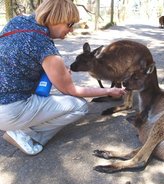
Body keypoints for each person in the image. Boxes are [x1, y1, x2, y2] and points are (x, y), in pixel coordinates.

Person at [0, 0, 126, 155]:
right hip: (9, 109)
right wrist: (109, 91)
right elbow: (72, 90)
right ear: (56, 18)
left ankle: (19, 125)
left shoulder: (17, 22)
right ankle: (25, 135)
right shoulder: (44, 46)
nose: (71, 30)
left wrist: (56, 71)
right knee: (79, 106)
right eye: (69, 24)